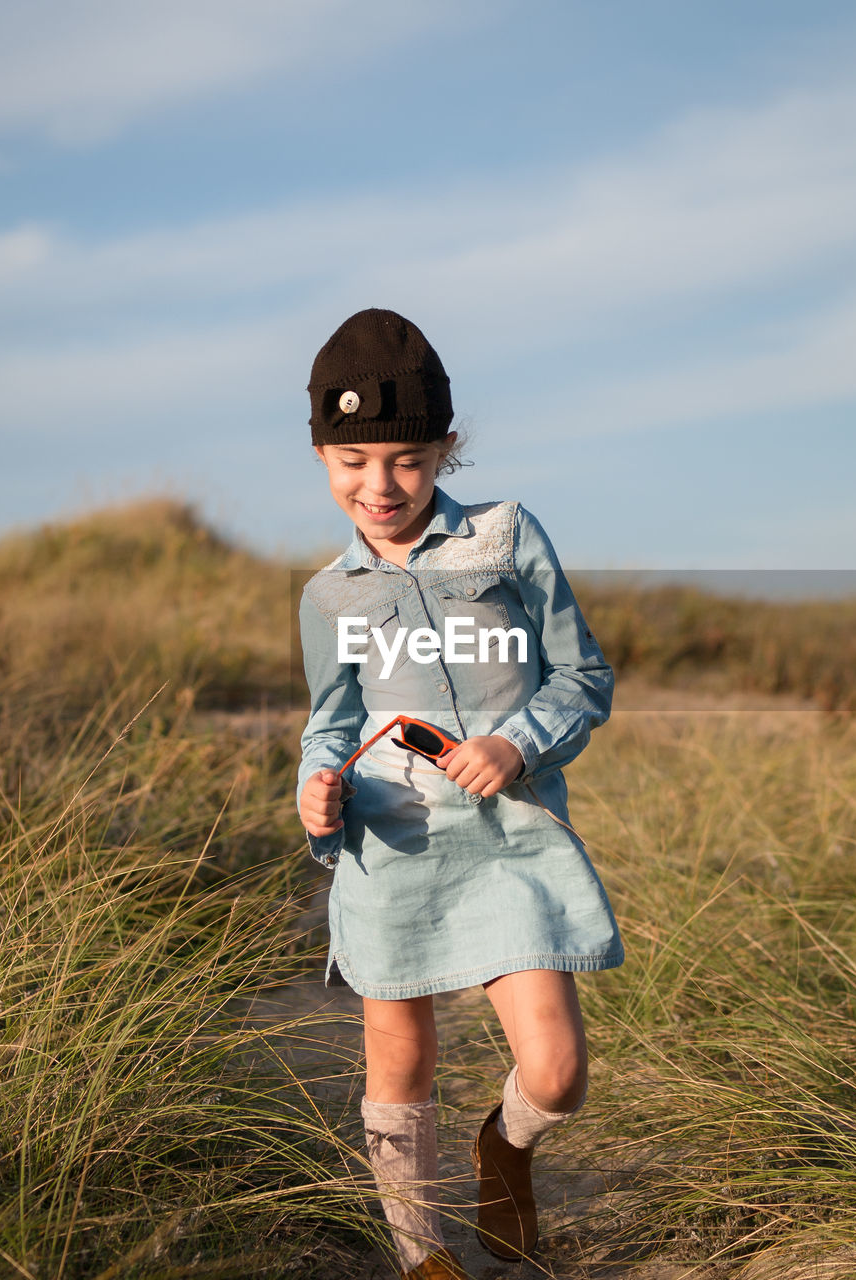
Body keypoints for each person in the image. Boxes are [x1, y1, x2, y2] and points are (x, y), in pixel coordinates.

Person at [297, 308, 623, 1280]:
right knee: (400, 1062)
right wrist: (316, 791)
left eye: (405, 459)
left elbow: (583, 678)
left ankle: (504, 1147)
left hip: (508, 842)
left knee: (557, 1074)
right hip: (386, 847)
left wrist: (515, 744)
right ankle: (420, 1252)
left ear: (445, 448)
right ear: (319, 454)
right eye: (351, 460)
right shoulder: (328, 593)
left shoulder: (507, 538)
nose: (379, 485)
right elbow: (329, 722)